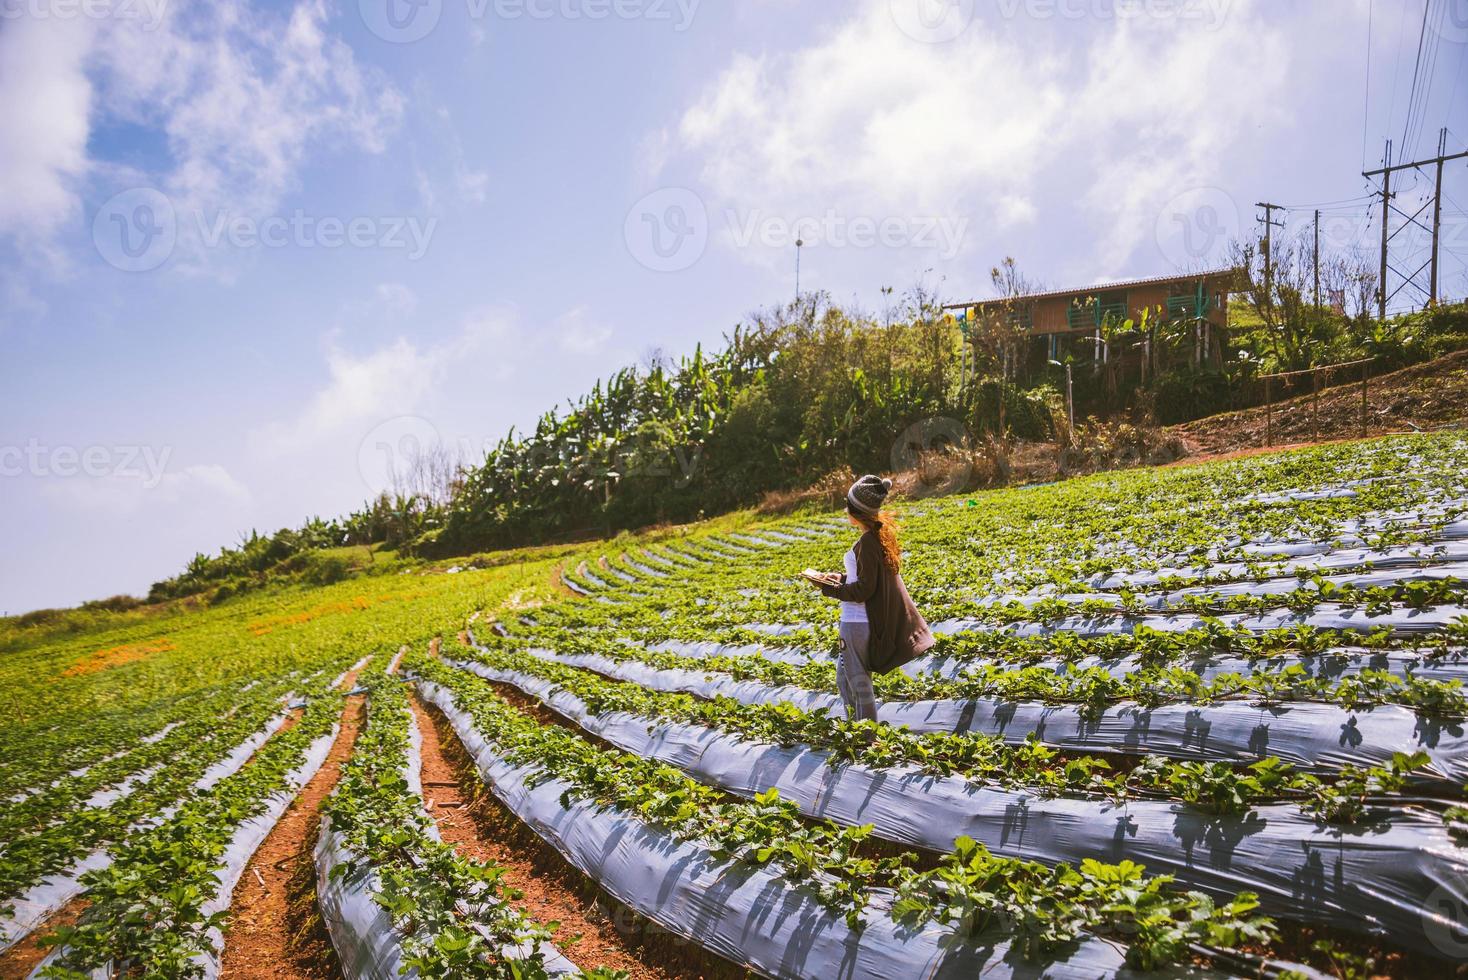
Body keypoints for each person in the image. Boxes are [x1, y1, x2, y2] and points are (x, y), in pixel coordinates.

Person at [805, 474, 934, 722]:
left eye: (847, 505)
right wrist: (838, 578)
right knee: (845, 679)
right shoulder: (877, 537)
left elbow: (864, 590)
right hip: (859, 622)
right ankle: (855, 727)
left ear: (855, 512)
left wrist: (829, 588)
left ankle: (866, 734)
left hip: (855, 623)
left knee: (857, 681)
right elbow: (867, 579)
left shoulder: (867, 541)